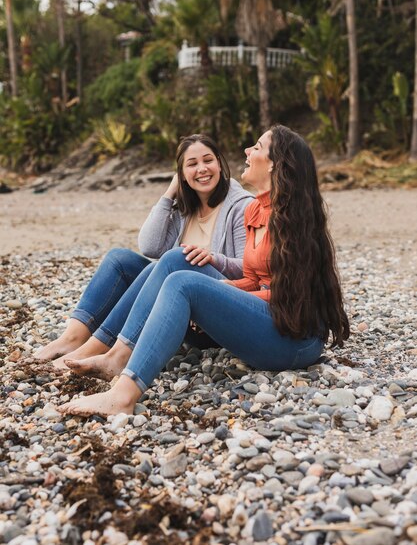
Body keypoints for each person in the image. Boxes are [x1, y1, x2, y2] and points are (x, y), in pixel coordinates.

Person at [58, 124, 350, 417]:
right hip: (268, 319)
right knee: (175, 261)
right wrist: (218, 295)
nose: (247, 152)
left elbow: (288, 296)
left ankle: (122, 396)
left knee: (184, 283)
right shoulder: (256, 211)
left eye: (257, 147)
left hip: (294, 339)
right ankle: (118, 357)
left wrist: (215, 293)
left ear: (275, 163)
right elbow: (251, 278)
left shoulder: (294, 220)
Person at [34, 134, 253, 365]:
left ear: (219, 163)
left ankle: (99, 348)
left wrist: (214, 259)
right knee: (119, 259)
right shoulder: (185, 209)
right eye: (192, 164)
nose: (202, 169)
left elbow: (251, 271)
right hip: (180, 310)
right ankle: (72, 338)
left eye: (208, 160)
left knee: (174, 260)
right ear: (181, 175)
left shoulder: (241, 206)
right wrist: (169, 194)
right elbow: (150, 246)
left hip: (215, 322)